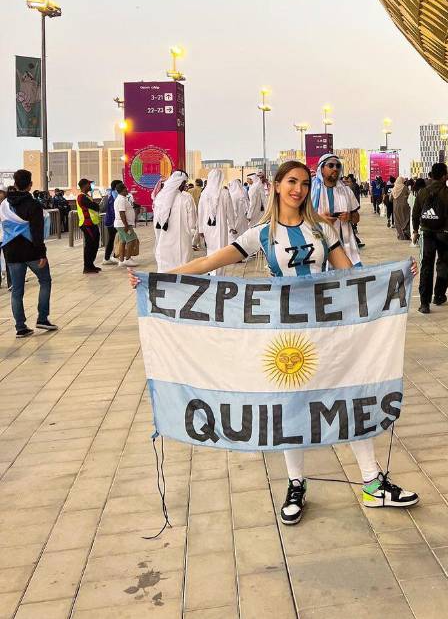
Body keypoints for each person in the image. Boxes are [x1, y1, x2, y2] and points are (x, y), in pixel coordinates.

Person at [130, 160, 419, 524]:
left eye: (304, 183)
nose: (298, 189)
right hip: (284, 333)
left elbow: (351, 274)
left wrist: (393, 278)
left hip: (326, 331)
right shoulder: (262, 234)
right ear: (278, 186)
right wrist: (158, 279)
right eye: (291, 182)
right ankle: (296, 484)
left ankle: (372, 482)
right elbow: (209, 262)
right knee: (290, 406)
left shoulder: (322, 229)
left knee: (347, 395)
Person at [0, 169, 56, 336]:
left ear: (15, 184)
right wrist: (42, 254)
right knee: (45, 281)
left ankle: (20, 327)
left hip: (11, 251)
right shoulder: (34, 205)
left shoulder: (4, 205)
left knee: (17, 290)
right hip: (31, 250)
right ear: (30, 185)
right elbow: (37, 232)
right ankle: (42, 319)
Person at [411, 162, 448, 314]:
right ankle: (439, 295)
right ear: (444, 176)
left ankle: (424, 303)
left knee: (426, 266)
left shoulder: (422, 192)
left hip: (426, 234)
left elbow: (415, 214)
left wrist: (415, 231)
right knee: (443, 264)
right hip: (444, 234)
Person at [311, 155, 362, 264]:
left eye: (338, 166)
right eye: (331, 165)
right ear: (321, 169)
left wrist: (349, 217)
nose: (335, 168)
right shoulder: (311, 191)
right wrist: (319, 219)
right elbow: (299, 218)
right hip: (319, 245)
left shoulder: (347, 191)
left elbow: (356, 218)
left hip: (345, 247)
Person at [153, 170, 198, 272]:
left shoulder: (160, 198)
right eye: (185, 183)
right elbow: (192, 223)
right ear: (181, 183)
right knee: (182, 270)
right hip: (182, 242)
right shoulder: (186, 198)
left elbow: (156, 224)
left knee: (165, 272)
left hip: (163, 243)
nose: (185, 186)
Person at [198, 169, 237, 275]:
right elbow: (230, 212)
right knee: (220, 250)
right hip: (221, 227)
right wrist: (232, 226)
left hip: (207, 227)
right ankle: (217, 274)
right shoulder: (224, 192)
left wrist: (201, 228)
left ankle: (211, 272)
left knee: (211, 250)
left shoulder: (204, 193)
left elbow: (200, 212)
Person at [76, 178, 101, 274]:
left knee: (94, 244)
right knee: (90, 245)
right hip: (87, 224)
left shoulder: (87, 196)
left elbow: (94, 206)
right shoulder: (81, 197)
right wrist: (97, 205)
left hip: (92, 223)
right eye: (89, 184)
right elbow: (94, 206)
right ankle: (87, 267)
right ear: (84, 185)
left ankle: (91, 265)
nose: (90, 186)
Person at [113, 183, 138, 265]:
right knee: (132, 239)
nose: (127, 190)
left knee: (123, 241)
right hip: (123, 224)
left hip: (121, 224)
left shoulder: (122, 198)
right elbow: (122, 213)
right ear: (123, 190)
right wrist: (126, 225)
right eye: (126, 189)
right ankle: (127, 259)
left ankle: (121, 260)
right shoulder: (121, 200)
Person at [101, 180, 122, 265]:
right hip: (112, 221)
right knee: (115, 239)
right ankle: (112, 257)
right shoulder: (113, 196)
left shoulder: (113, 195)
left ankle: (110, 257)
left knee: (113, 239)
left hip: (112, 221)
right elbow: (114, 211)